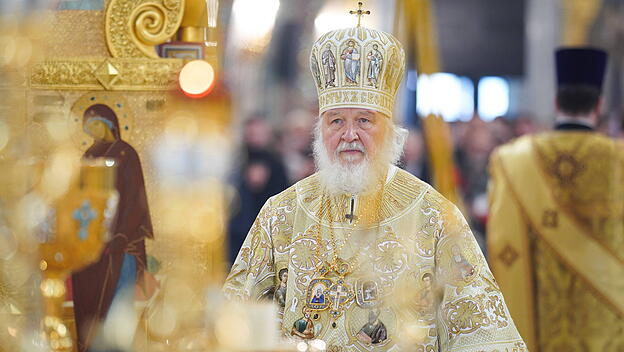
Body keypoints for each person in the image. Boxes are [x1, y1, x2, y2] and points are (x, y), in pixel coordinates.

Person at [224, 12, 525, 351]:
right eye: (336, 121)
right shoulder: (280, 214)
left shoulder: (435, 217)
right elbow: (234, 320)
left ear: (389, 129)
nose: (349, 135)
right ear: (319, 130)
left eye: (364, 121)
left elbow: (483, 334)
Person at [488, 47, 624, 352]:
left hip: (537, 327)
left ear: (555, 102)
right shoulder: (619, 161)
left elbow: (502, 244)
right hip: (609, 324)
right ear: (598, 105)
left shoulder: (512, 159)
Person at [72, 104, 154, 352]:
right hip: (93, 244)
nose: (91, 131)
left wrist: (120, 234)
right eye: (87, 126)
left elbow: (134, 197)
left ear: (108, 123)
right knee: (91, 303)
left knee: (119, 303)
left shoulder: (125, 154)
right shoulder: (88, 156)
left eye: (94, 124)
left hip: (122, 242)